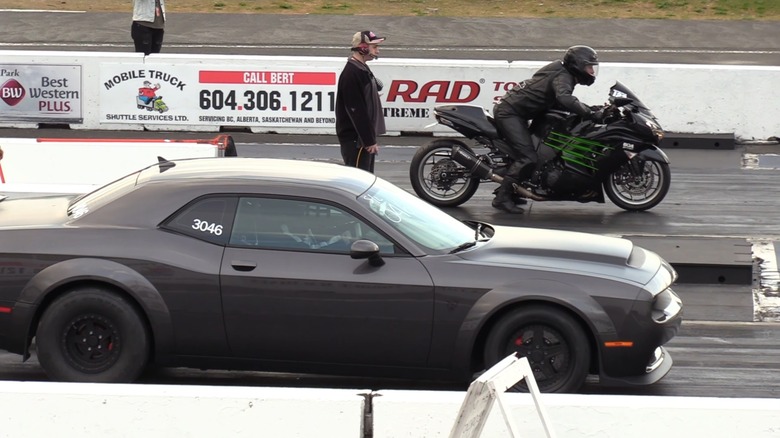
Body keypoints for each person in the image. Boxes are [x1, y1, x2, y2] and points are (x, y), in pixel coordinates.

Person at [491, 45, 604, 214]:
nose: (591, 71)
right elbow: (565, 99)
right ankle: (502, 198)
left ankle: (515, 188)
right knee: (528, 156)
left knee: (541, 151)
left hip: (522, 112)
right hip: (510, 112)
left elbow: (562, 101)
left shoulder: (563, 73)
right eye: (589, 67)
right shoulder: (563, 76)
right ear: (578, 65)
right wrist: (590, 113)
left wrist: (593, 109)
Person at [335, 30, 387, 173]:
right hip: (357, 141)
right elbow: (356, 111)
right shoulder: (352, 73)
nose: (378, 50)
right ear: (363, 47)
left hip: (361, 139)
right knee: (359, 183)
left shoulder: (361, 68)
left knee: (367, 181)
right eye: (374, 47)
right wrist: (368, 141)